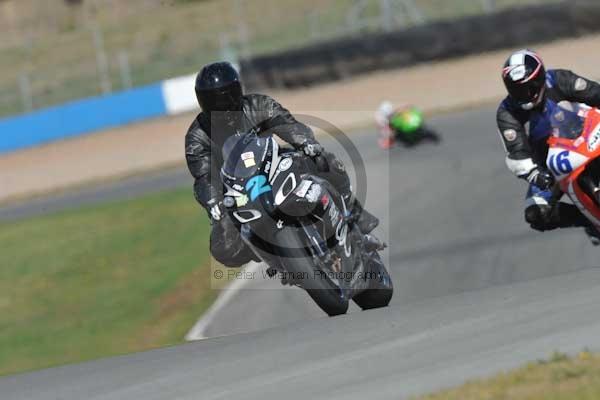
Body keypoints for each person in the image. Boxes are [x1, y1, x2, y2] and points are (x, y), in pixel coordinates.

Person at [185, 61, 379, 267]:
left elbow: (287, 125)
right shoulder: (198, 135)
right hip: (237, 190)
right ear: (202, 101)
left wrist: (306, 143)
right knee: (223, 247)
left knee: (327, 162)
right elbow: (203, 177)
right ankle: (274, 254)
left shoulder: (258, 105)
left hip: (277, 163)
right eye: (213, 100)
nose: (222, 105)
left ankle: (353, 213)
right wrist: (213, 202)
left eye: (226, 96)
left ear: (237, 90)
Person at [497, 49, 600, 241]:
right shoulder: (507, 113)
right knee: (536, 214)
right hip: (549, 163)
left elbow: (596, 94)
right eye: (516, 90)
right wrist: (535, 174)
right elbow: (517, 152)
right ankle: (589, 222)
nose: (524, 95)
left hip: (589, 133)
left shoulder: (561, 79)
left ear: (540, 77)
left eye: (528, 87)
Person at [375, 101, 439, 149]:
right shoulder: (399, 113)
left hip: (410, 133)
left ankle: (411, 140)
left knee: (396, 133)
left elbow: (391, 133)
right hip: (417, 125)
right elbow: (413, 108)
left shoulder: (392, 121)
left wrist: (387, 142)